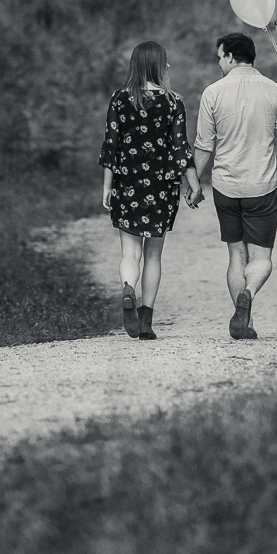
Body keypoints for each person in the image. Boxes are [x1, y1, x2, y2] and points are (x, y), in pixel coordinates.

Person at [191, 32, 277, 340]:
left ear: (230, 57)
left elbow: (203, 146)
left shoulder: (212, 93)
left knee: (236, 256)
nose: (219, 62)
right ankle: (249, 293)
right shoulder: (275, 90)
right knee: (261, 258)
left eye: (219, 57)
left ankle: (244, 322)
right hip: (261, 187)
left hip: (226, 188)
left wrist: (194, 184)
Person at [100, 41, 202, 340]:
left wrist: (107, 186)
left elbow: (111, 145)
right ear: (158, 65)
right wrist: (194, 185)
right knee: (154, 255)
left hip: (127, 182)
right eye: (166, 62)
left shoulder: (119, 99)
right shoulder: (173, 102)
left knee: (130, 251)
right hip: (160, 186)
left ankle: (128, 289)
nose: (169, 66)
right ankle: (146, 320)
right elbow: (181, 148)